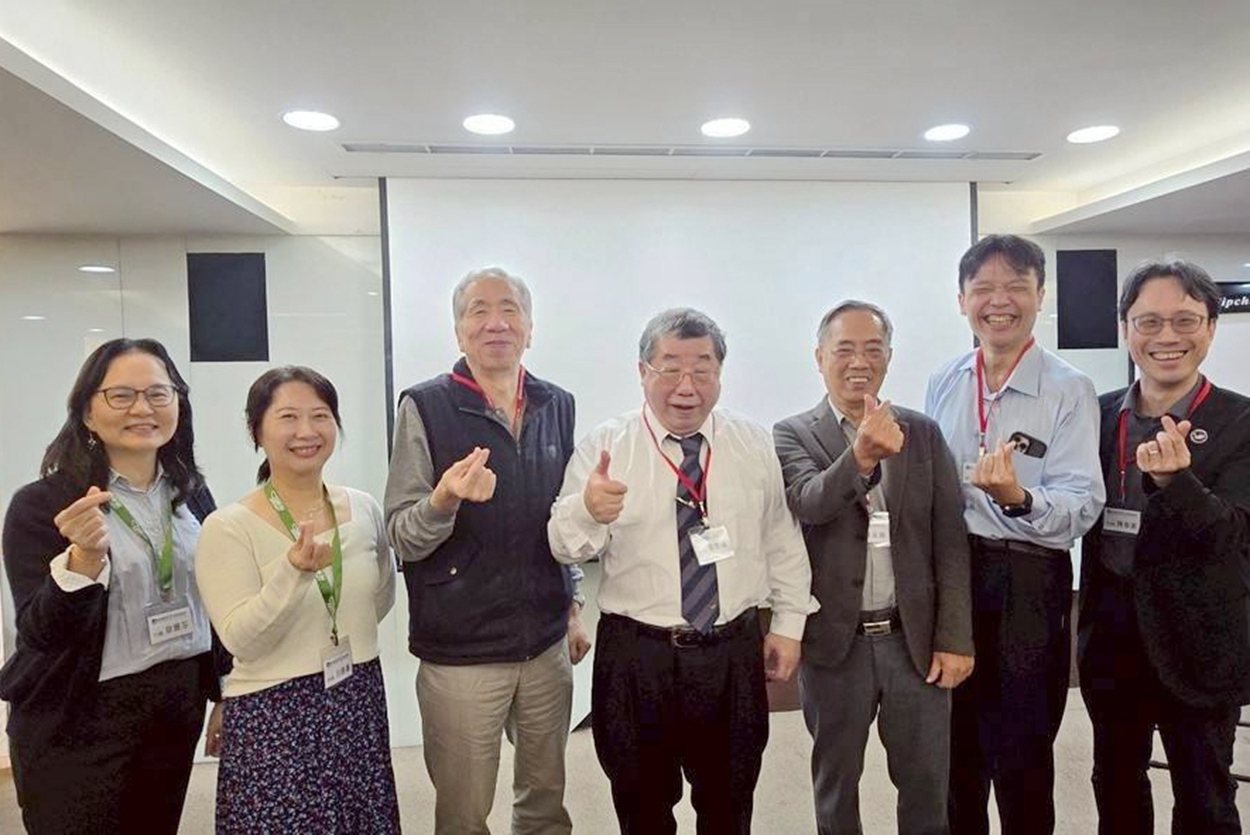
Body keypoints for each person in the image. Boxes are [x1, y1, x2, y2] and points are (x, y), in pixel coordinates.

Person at [549, 307, 817, 835]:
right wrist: (588, 509)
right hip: (637, 655)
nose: (686, 386)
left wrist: (789, 625)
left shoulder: (751, 442)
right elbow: (564, 544)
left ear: (720, 373)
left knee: (730, 804)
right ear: (642, 372)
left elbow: (781, 539)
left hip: (731, 652)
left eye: (702, 369)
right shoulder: (607, 446)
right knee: (642, 806)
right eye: (670, 368)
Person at [385, 266, 587, 835]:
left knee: (545, 803)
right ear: (458, 331)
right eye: (479, 310)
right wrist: (444, 500)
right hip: (461, 651)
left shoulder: (557, 404)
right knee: (464, 812)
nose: (496, 322)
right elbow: (402, 533)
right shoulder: (425, 406)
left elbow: (562, 516)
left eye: (509, 309)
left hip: (545, 643)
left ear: (530, 328)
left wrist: (573, 605)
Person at [0, 337, 224, 835]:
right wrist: (82, 561)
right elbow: (40, 633)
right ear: (87, 412)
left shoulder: (190, 492)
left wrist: (222, 692)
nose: (142, 408)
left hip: (174, 704)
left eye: (159, 393)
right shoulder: (43, 505)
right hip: (78, 716)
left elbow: (212, 595)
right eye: (121, 396)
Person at [925, 234, 1105, 834]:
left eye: (1016, 287)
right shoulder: (946, 380)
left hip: (1028, 578)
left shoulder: (1069, 387)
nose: (998, 302)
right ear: (962, 300)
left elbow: (1082, 505)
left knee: (1023, 751)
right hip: (955, 575)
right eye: (983, 289)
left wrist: (1018, 499)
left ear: (1040, 295)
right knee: (956, 748)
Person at [774, 300, 973, 834]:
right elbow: (810, 502)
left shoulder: (922, 432)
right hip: (836, 643)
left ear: (889, 356)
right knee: (836, 785)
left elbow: (949, 540)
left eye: (872, 349)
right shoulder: (793, 434)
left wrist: (955, 637)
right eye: (844, 349)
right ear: (819, 357)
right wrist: (861, 456)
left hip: (914, 641)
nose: (859, 361)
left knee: (926, 784)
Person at [1078, 260, 1250, 834]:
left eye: (1185, 320)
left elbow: (1235, 535)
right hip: (1111, 635)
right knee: (1116, 784)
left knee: (1205, 796)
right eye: (1148, 321)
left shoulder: (1242, 421)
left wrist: (1179, 483)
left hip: (1200, 639)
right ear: (1126, 329)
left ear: (1211, 328)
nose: (1166, 336)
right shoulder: (1097, 414)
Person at [195, 366, 399, 833]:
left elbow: (379, 597)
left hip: (356, 696)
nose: (306, 431)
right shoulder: (227, 527)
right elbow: (241, 639)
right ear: (256, 431)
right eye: (288, 417)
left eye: (320, 416)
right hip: (274, 713)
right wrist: (293, 574)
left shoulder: (363, 507)